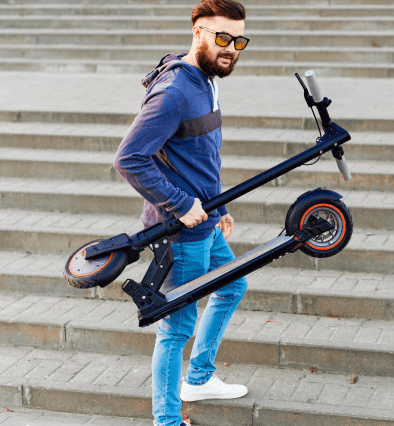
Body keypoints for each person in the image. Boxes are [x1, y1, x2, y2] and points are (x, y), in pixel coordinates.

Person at [113, 1, 250, 425]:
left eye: (239, 40)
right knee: (175, 329)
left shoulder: (206, 79)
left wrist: (218, 204)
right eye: (222, 37)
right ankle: (167, 421)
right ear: (198, 33)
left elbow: (199, 155)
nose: (231, 48)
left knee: (232, 285)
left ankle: (200, 378)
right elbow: (129, 158)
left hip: (206, 220)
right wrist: (182, 203)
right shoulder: (174, 91)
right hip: (181, 232)